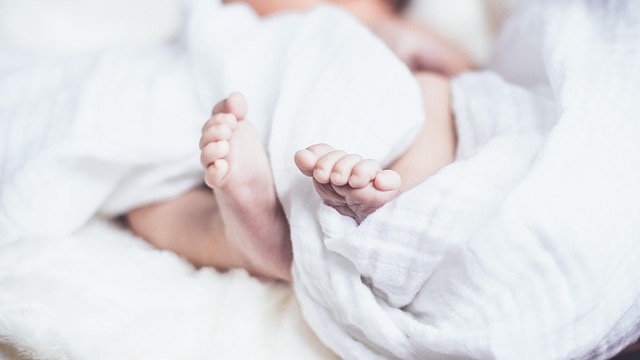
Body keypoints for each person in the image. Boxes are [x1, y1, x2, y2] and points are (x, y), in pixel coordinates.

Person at [126, 0, 465, 282]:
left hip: (372, 129)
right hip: (252, 114)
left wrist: (431, 54)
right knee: (144, 195)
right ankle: (248, 240)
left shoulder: (388, 26)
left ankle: (399, 206)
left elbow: (475, 81)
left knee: (435, 94)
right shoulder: (229, 30)